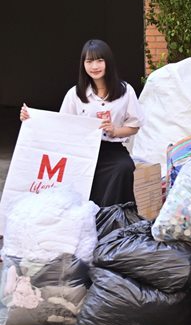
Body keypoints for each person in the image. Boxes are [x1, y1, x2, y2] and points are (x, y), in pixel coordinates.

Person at [19, 39, 144, 207]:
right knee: (76, 173)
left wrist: (115, 130)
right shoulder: (75, 94)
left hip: (111, 149)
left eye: (99, 60)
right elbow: (60, 125)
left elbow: (134, 126)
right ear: (83, 64)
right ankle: (84, 215)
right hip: (81, 150)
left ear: (108, 62)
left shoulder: (125, 91)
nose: (94, 66)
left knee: (124, 167)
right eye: (89, 61)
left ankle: (111, 215)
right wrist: (32, 119)